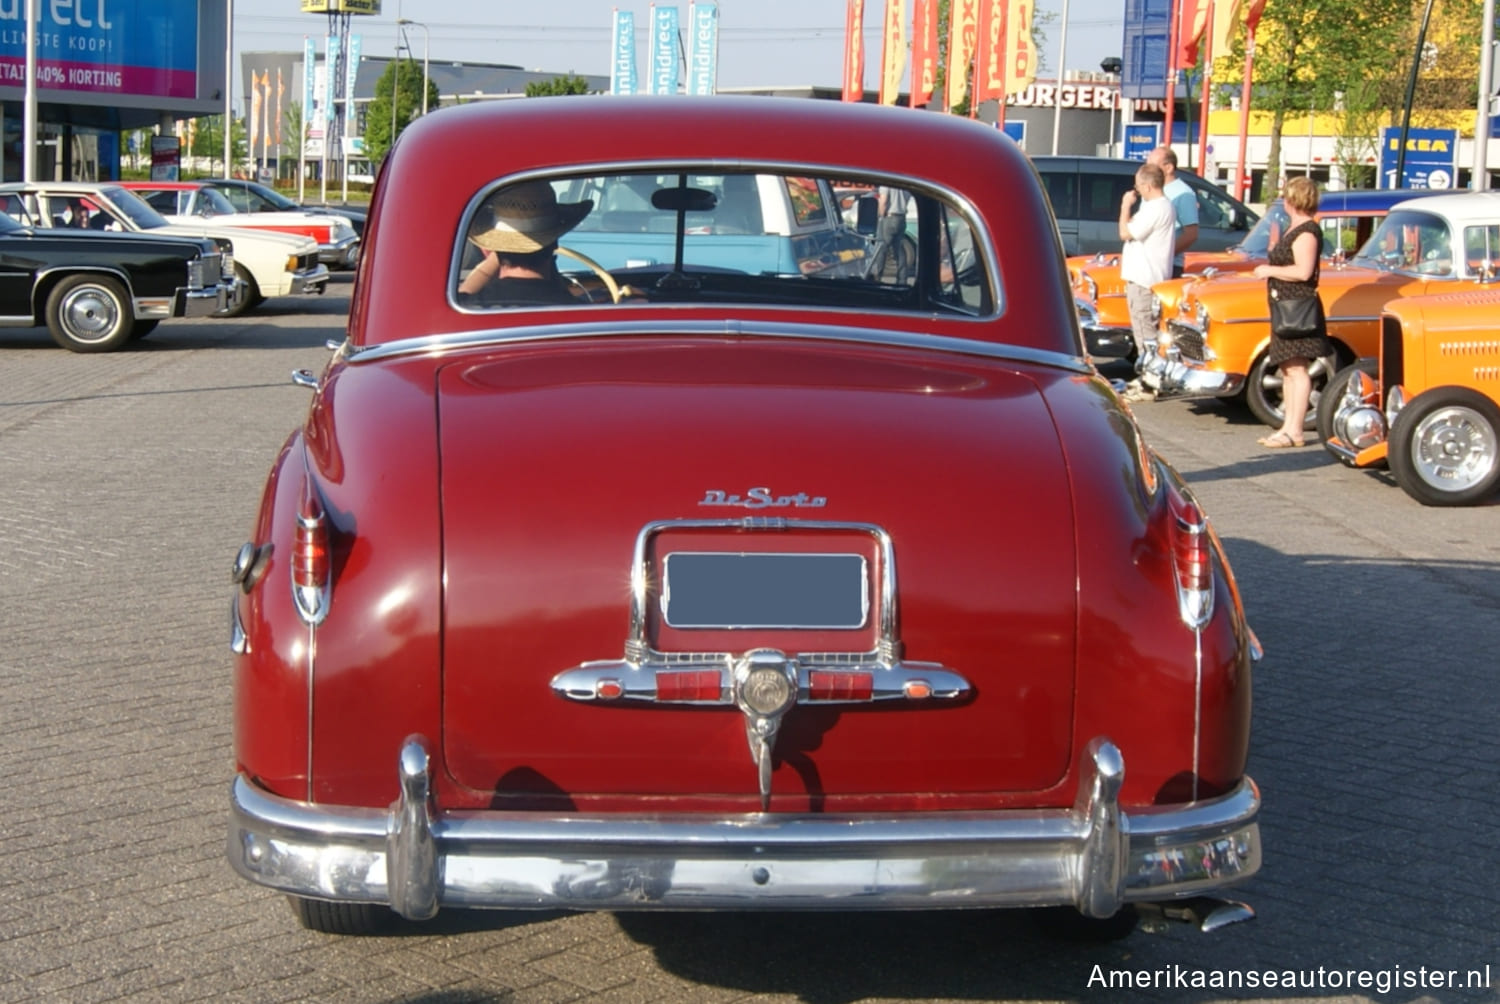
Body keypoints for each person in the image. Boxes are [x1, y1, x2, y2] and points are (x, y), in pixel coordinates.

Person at [1251, 176, 1331, 448]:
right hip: (1284, 305)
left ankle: (1295, 429)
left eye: (1286, 195)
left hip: (1297, 308)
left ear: (1294, 199)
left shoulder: (1306, 231)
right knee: (1287, 368)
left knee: (1297, 369)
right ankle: (1286, 426)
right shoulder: (1293, 228)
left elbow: (1304, 271)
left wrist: (1269, 270)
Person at [458, 181, 596, 305]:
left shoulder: (467, 309)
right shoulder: (578, 313)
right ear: (554, 244)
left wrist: (495, 256)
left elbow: (465, 292)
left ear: (495, 248)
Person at [1116, 162, 1176, 402]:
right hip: (1143, 276)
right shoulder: (1157, 207)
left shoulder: (1156, 208)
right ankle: (1146, 377)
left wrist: (1124, 207)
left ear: (1148, 185)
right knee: (1142, 329)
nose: (1137, 191)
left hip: (1145, 278)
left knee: (1145, 331)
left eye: (1139, 186)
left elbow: (1125, 232)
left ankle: (1151, 382)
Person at [1147, 146, 1199, 278]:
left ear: (1168, 168)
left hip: (1168, 265)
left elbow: (1191, 234)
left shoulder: (1183, 193)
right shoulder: (1150, 189)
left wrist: (1166, 254)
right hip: (1147, 263)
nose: (1148, 171)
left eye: (1152, 166)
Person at [869, 184, 911, 283]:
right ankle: (902, 279)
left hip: (889, 217)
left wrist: (881, 217)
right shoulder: (905, 183)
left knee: (881, 249)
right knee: (899, 250)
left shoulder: (886, 184)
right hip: (901, 218)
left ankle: (877, 278)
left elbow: (883, 201)